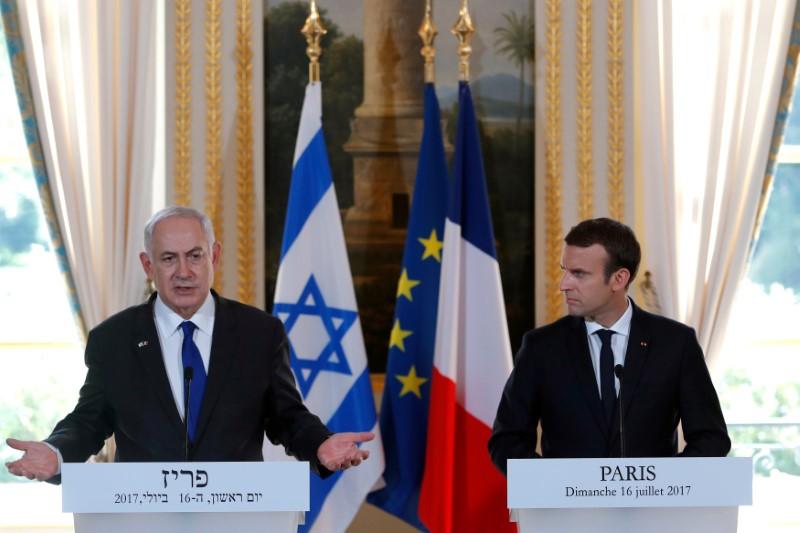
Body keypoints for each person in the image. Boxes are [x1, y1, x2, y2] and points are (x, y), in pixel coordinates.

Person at [6, 206, 372, 482]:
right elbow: (89, 421)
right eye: (169, 259)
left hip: (237, 517)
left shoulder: (260, 334)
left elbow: (287, 417)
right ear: (148, 265)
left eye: (195, 256)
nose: (184, 271)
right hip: (144, 520)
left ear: (213, 256)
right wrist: (57, 452)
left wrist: (320, 445)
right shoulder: (113, 340)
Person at [489, 218, 730, 473]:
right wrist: (555, 485)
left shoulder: (675, 344)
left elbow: (711, 439)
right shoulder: (541, 347)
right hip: (567, 511)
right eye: (565, 270)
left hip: (652, 510)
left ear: (618, 279)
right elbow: (506, 442)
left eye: (579, 274)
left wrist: (662, 484)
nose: (564, 284)